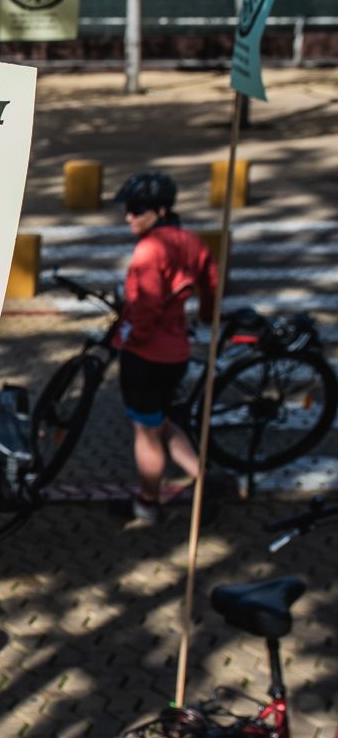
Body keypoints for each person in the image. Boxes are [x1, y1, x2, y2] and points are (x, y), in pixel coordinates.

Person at [113, 171, 218, 525]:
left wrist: (128, 339)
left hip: (147, 355)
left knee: (146, 431)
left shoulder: (150, 248)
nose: (129, 217)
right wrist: (205, 317)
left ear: (160, 210)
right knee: (163, 420)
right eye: (127, 209)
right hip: (177, 352)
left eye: (137, 210)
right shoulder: (192, 241)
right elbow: (211, 285)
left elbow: (146, 305)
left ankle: (147, 504)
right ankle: (203, 481)